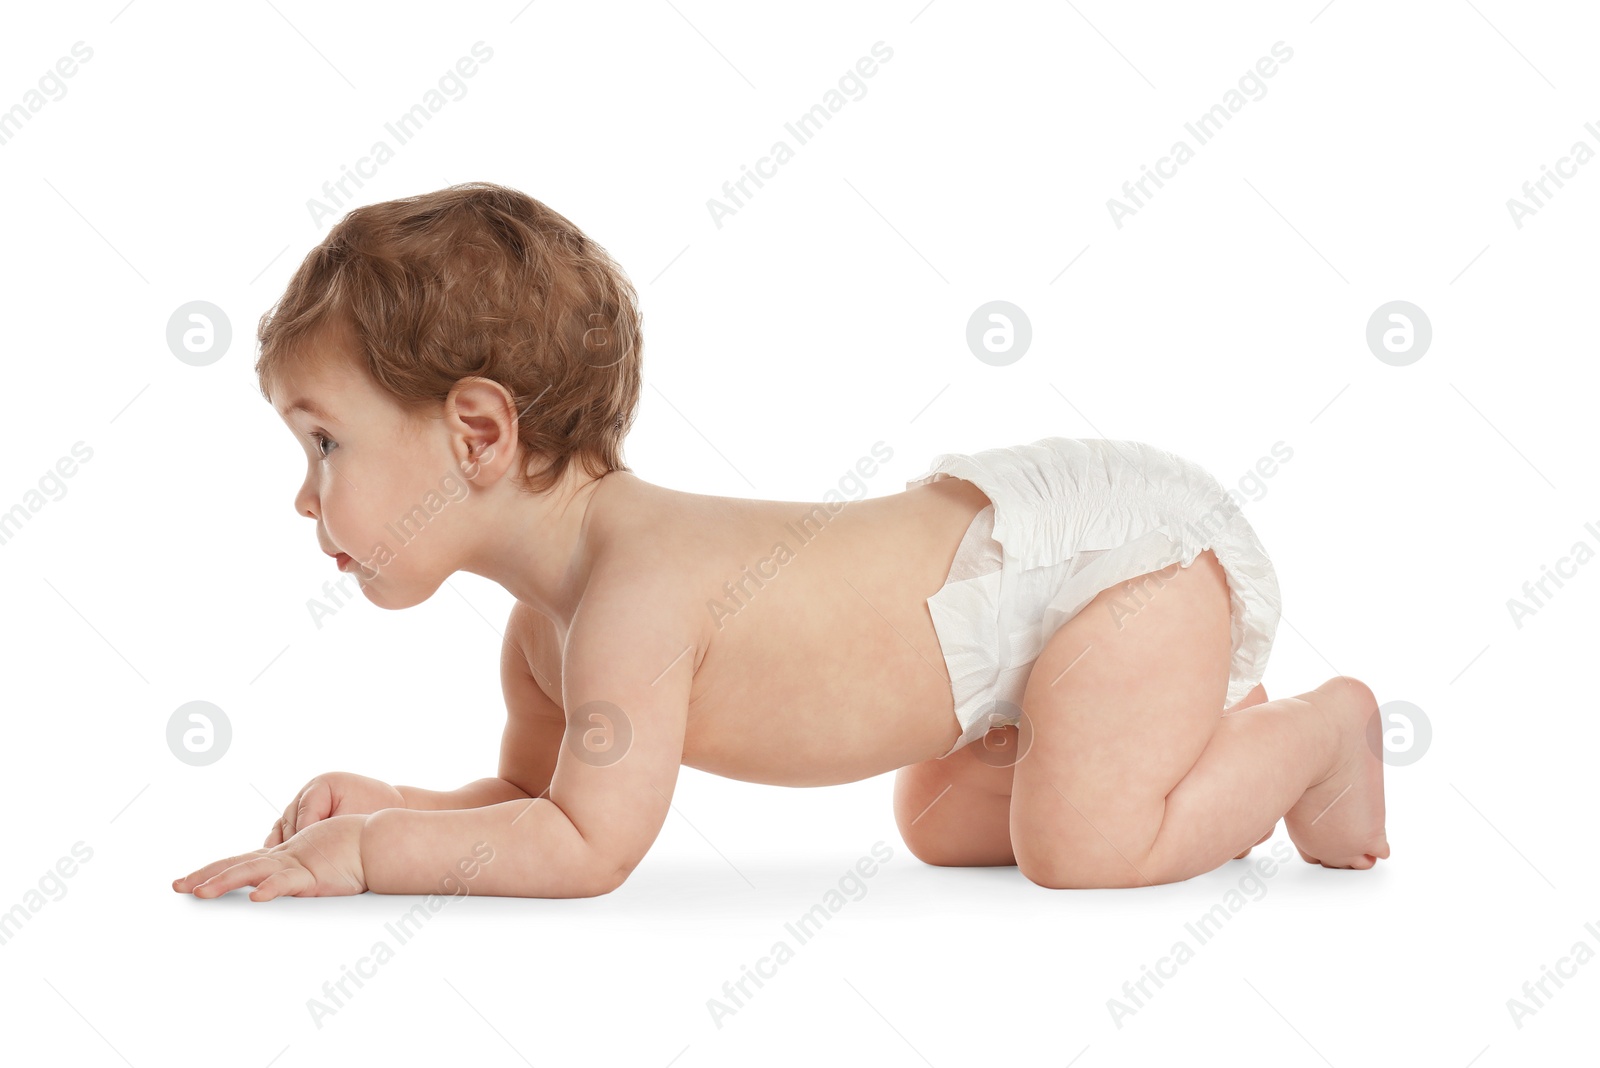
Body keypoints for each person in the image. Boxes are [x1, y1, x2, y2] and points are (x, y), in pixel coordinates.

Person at [172, 181, 1388, 901]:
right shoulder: (545, 637)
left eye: (323, 444)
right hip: (1010, 647)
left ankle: (1317, 733)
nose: (304, 494)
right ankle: (1181, 737)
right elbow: (530, 798)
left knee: (1076, 850)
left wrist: (371, 858)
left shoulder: (638, 595)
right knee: (941, 829)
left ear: (477, 431)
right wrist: (394, 799)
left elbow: (586, 845)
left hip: (1108, 573)